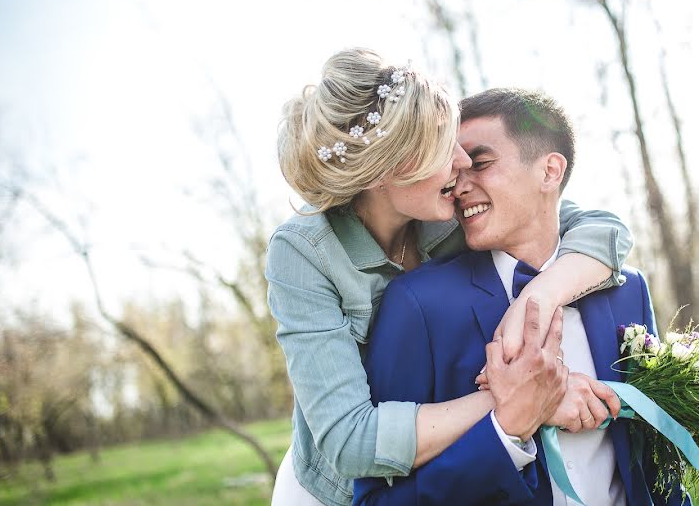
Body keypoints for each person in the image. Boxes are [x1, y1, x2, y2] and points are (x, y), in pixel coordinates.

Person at [267, 49, 634, 506]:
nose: (462, 162)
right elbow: (350, 441)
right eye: (445, 147)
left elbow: (603, 230)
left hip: (447, 474)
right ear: (388, 169)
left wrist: (536, 296)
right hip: (339, 494)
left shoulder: (447, 214)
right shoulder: (303, 252)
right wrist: (525, 398)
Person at [355, 88, 689, 505]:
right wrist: (507, 431)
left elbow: (657, 465)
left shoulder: (629, 290)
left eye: (479, 163)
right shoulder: (418, 306)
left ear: (550, 171)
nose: (458, 186)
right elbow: (377, 500)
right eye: (454, 170)